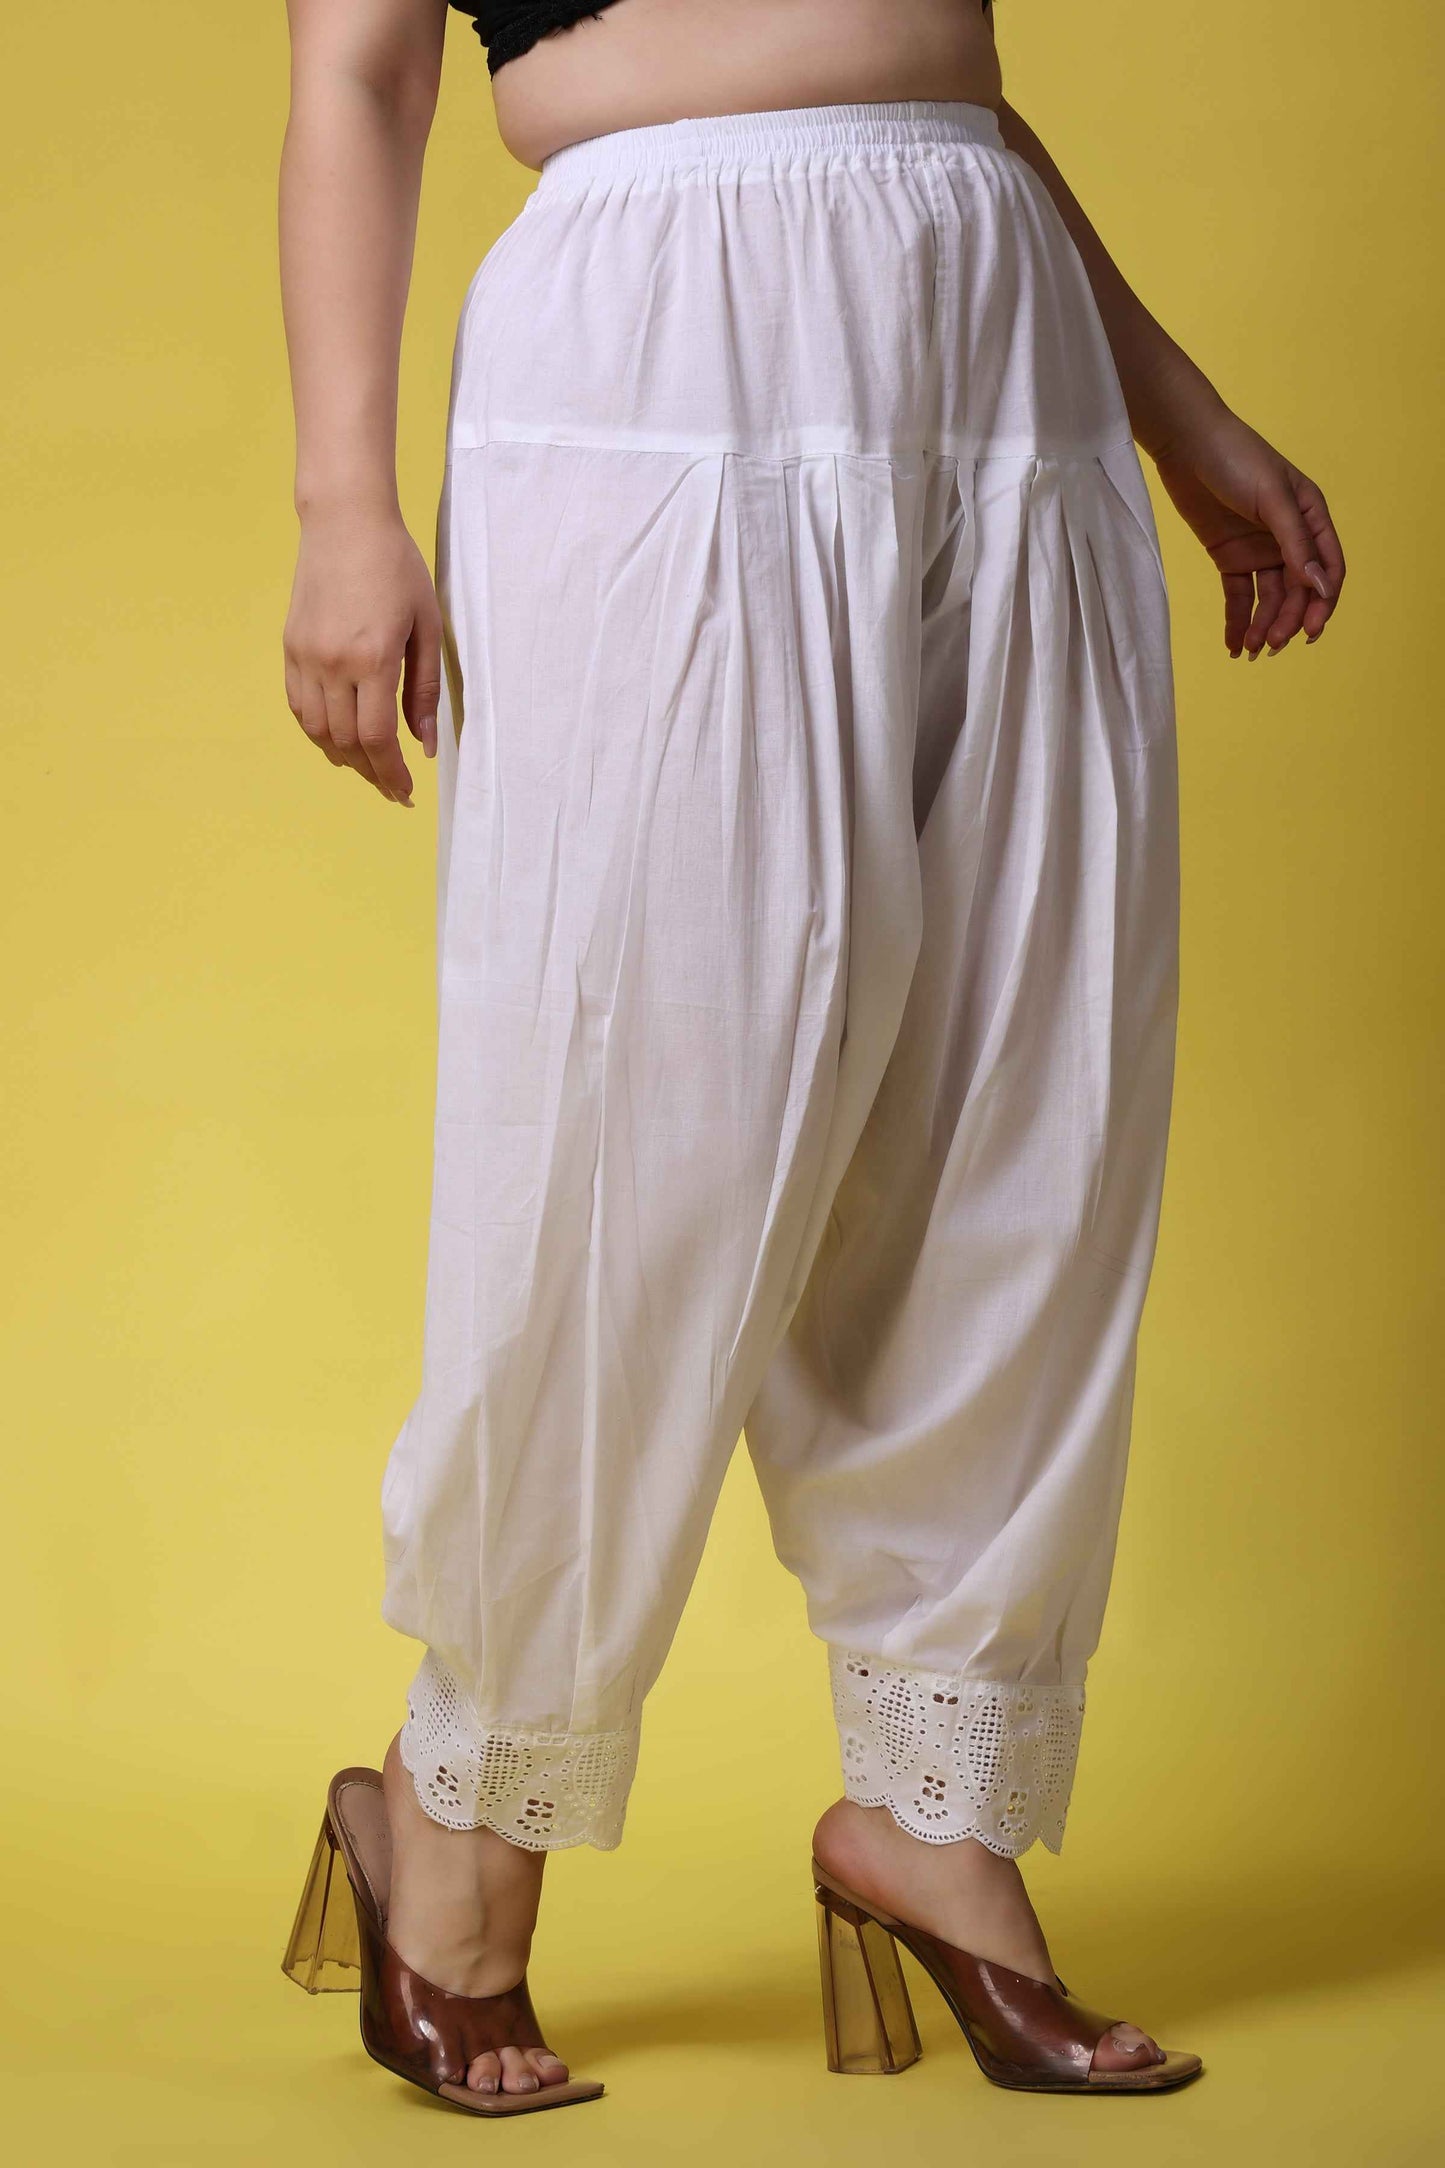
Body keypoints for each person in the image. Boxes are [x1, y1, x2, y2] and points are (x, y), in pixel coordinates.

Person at [278, 0, 1345, 2116]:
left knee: (1022, 1108)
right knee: (639, 1125)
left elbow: (934, 80)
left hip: (999, 328)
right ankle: (458, 1813)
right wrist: (340, 505)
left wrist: (1176, 403)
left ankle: (937, 1815)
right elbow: (360, 67)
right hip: (657, 336)